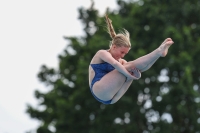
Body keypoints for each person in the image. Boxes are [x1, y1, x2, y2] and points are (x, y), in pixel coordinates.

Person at [88, 14, 174, 105]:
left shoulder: (122, 62)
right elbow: (115, 64)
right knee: (128, 67)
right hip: (98, 89)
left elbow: (131, 76)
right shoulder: (102, 53)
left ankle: (158, 54)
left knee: (131, 68)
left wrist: (133, 76)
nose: (123, 56)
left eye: (125, 53)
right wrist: (131, 75)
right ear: (114, 47)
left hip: (111, 99)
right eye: (122, 52)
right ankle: (158, 51)